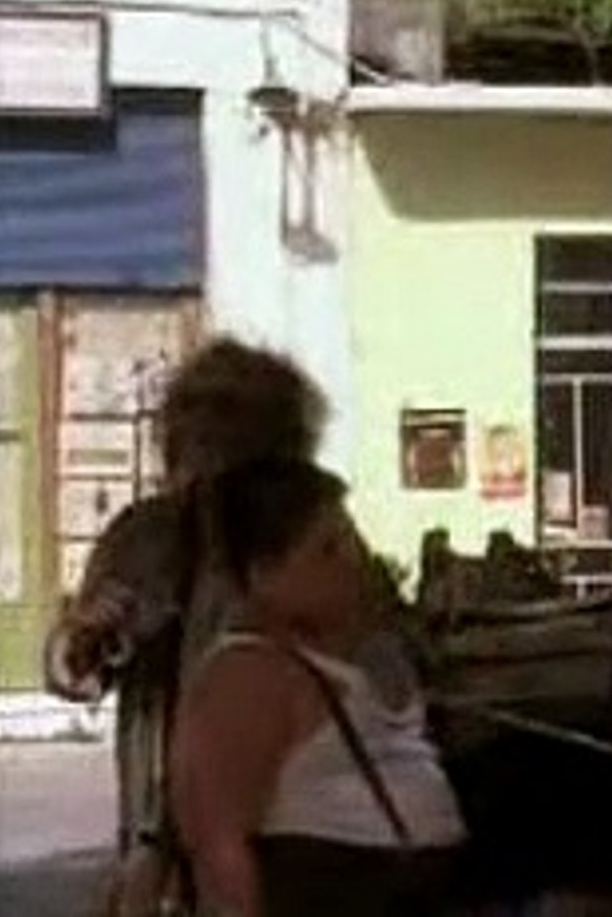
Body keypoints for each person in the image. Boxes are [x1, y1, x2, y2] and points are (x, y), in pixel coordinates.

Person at [43, 340, 335, 895]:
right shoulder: (143, 536)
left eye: (225, 439)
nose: (203, 459)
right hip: (165, 834)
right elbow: (72, 669)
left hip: (285, 822)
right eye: (193, 436)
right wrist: (83, 641)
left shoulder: (312, 534)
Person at [169, 457, 468, 916]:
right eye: (327, 550)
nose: (354, 561)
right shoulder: (248, 675)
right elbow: (219, 842)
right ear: (263, 573)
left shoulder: (355, 647)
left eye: (352, 539)